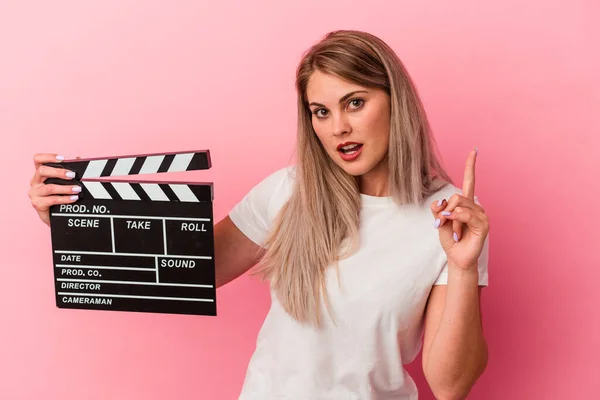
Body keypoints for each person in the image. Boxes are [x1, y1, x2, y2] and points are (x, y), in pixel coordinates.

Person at [28, 30, 490, 399]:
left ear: (396, 101)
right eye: (320, 111)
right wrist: (74, 218)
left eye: (355, 102)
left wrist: (463, 266)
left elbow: (451, 386)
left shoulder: (449, 219)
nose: (339, 128)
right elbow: (190, 268)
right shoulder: (289, 192)